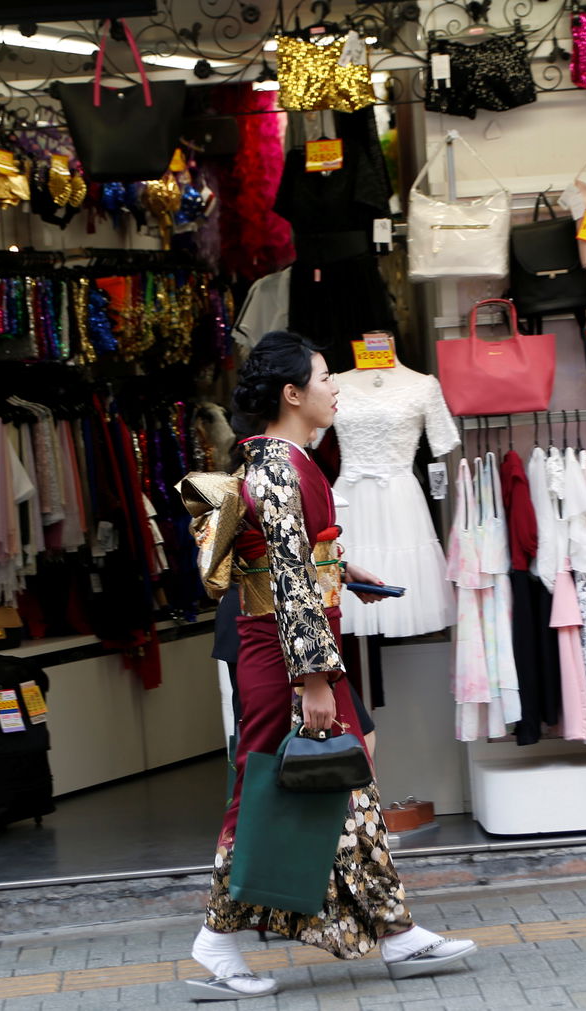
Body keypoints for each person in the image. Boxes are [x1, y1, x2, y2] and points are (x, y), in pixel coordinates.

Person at [187, 331, 476, 1001]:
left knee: (350, 786)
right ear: (293, 395)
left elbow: (285, 558)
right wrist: (314, 677)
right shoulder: (285, 465)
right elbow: (287, 575)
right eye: (324, 378)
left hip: (282, 647)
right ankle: (217, 937)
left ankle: (398, 931)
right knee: (262, 794)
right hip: (284, 656)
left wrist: (341, 567)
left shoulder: (273, 460)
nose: (335, 387)